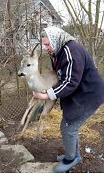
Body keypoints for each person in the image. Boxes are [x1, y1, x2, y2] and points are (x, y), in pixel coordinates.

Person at [33, 26, 104, 172]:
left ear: (55, 39)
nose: (46, 48)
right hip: (80, 93)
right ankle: (74, 154)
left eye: (47, 44)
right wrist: (48, 90)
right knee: (69, 125)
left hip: (89, 95)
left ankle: (71, 158)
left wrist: (47, 95)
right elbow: (60, 76)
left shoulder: (71, 51)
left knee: (68, 127)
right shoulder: (58, 51)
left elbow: (70, 82)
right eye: (44, 45)